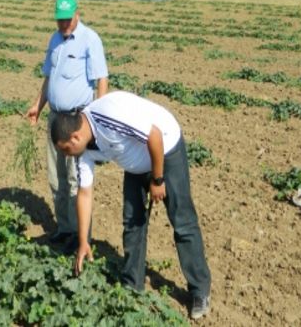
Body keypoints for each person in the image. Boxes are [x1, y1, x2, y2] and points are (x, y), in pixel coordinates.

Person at [50, 91, 212, 320]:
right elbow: (84, 194)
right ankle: (132, 287)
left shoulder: (109, 116)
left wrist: (157, 179)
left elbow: (154, 135)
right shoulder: (82, 150)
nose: (67, 156)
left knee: (182, 221)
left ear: (75, 137)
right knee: (132, 224)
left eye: (65, 149)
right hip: (135, 164)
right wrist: (84, 241)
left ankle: (200, 291)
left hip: (165, 149)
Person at [26, 0, 109, 251]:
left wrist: (98, 119)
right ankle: (64, 228)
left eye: (67, 20)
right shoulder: (54, 39)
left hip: (76, 119)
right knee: (56, 177)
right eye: (59, 20)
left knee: (76, 178)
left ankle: (80, 234)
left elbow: (101, 79)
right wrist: (37, 106)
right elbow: (49, 78)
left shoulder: (89, 39)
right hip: (55, 118)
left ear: (77, 14)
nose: (63, 25)